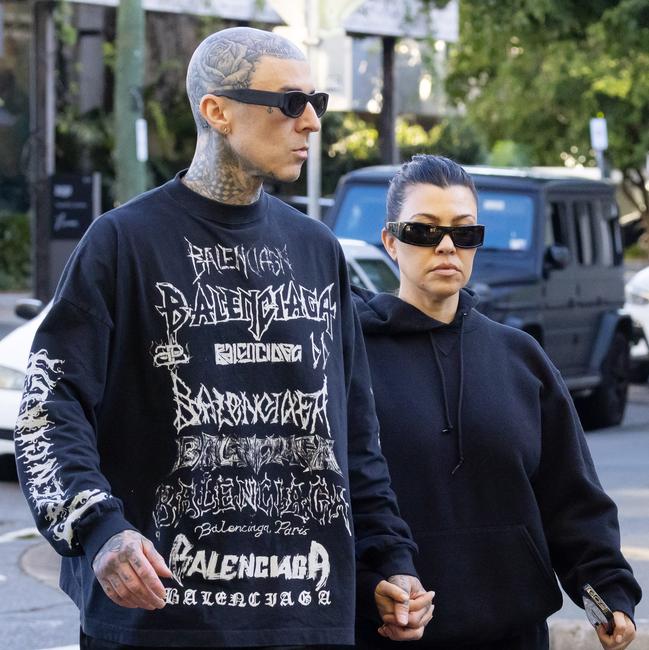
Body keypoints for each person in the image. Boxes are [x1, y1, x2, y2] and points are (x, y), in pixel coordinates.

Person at [14, 27, 433, 649]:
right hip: (160, 621)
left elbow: (353, 435)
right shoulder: (122, 243)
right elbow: (47, 408)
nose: (312, 122)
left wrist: (390, 561)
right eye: (291, 102)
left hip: (307, 615)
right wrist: (100, 529)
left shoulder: (317, 249)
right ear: (217, 111)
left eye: (316, 100)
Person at [351, 154, 642, 650]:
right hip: (388, 634)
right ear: (390, 242)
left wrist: (607, 596)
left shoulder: (520, 358)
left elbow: (571, 496)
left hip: (515, 635)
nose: (446, 246)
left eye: (464, 233)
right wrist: (365, 585)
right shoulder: (348, 356)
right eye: (424, 231)